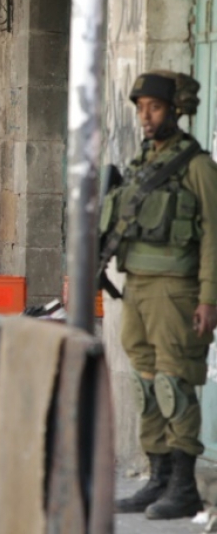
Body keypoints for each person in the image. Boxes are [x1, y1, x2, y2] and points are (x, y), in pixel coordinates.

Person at [104, 71, 217, 520]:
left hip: (177, 288)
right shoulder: (142, 163)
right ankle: (157, 477)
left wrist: (209, 297)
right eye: (140, 108)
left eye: (154, 107)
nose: (145, 116)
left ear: (175, 110)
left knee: (174, 382)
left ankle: (183, 487)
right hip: (137, 285)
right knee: (146, 381)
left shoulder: (197, 166)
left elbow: (214, 236)